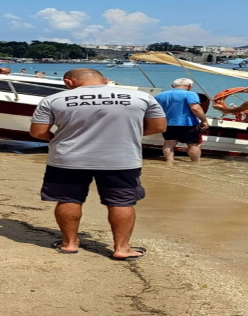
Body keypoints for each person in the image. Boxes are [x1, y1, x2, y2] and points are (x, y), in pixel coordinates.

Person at [29, 68, 166, 260]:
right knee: (121, 202)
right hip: (121, 159)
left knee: (68, 199)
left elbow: (38, 132)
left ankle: (69, 244)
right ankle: (122, 248)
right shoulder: (141, 98)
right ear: (106, 80)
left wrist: (59, 139)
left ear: (69, 82)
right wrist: (124, 136)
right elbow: (159, 127)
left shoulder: (54, 100)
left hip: (68, 158)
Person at [154, 78, 209, 162]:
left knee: (169, 144)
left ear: (172, 86)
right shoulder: (190, 94)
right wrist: (204, 120)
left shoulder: (160, 95)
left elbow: (154, 109)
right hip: (188, 123)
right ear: (189, 86)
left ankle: (170, 162)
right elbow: (195, 108)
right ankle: (195, 164)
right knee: (193, 145)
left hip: (168, 123)